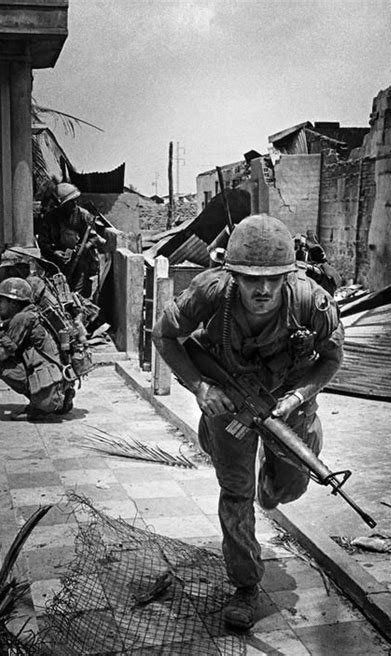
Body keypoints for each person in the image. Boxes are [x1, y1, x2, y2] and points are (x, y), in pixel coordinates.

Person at [152, 214, 344, 630]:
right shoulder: (209, 292)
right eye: (250, 278)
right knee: (235, 491)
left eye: (273, 279)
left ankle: (271, 477)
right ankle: (244, 585)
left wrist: (297, 398)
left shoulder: (312, 302)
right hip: (228, 395)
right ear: (232, 274)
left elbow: (332, 359)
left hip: (286, 401)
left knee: (289, 488)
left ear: (288, 276)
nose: (262, 289)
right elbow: (163, 334)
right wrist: (201, 388)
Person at [0, 277, 74, 420]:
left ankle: (40, 407)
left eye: (1, 300)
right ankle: (61, 398)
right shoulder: (35, 312)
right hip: (59, 376)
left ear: (14, 303)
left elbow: (3, 354)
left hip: (49, 381)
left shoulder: (21, 318)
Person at [37, 182, 106, 299]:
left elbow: (95, 238)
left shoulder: (84, 216)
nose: (74, 204)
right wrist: (54, 253)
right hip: (57, 263)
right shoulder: (50, 218)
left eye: (75, 200)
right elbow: (42, 242)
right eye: (69, 202)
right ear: (60, 205)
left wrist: (84, 247)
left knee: (78, 295)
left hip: (80, 262)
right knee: (59, 295)